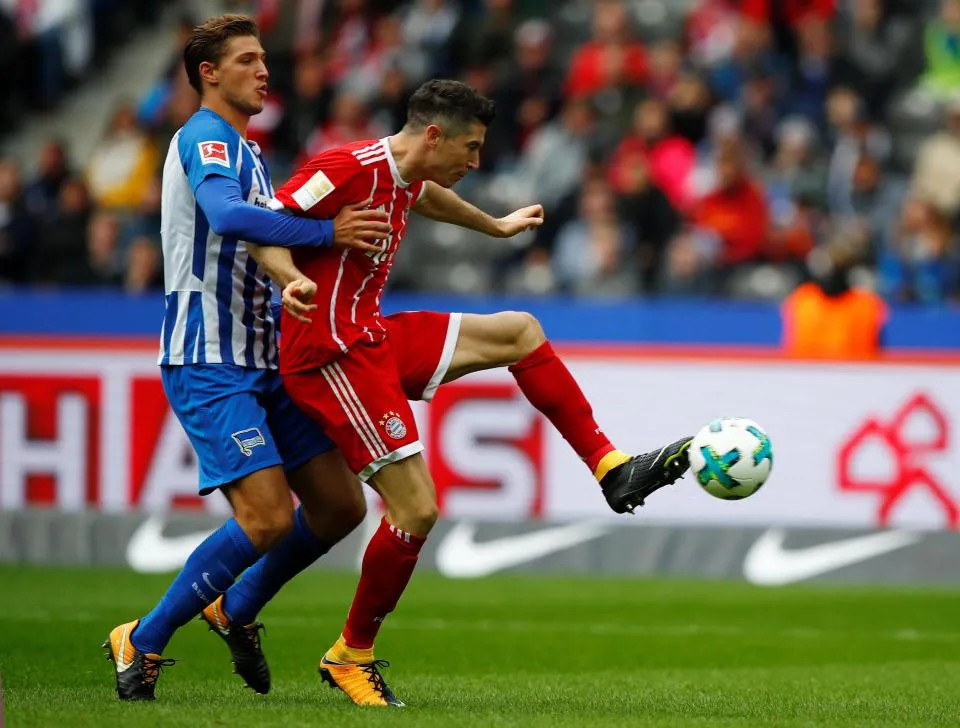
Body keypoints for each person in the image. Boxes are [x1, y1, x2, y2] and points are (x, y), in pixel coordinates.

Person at [207, 79, 693, 708]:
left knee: (520, 332)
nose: (477, 161)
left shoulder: (406, 173)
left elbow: (424, 193)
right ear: (433, 135)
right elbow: (266, 227)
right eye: (471, 147)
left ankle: (612, 468)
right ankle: (350, 654)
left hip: (372, 335)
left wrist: (493, 226)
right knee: (416, 509)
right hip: (329, 356)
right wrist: (292, 280)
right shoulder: (341, 169)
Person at [102, 15, 392, 701]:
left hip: (264, 355)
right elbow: (230, 219)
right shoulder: (204, 138)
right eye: (248, 60)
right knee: (264, 517)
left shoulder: (247, 150)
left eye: (264, 59)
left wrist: (291, 278)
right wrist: (328, 230)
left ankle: (234, 607)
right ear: (210, 73)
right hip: (208, 356)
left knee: (340, 506)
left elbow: (253, 240)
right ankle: (139, 640)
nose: (265, 71)